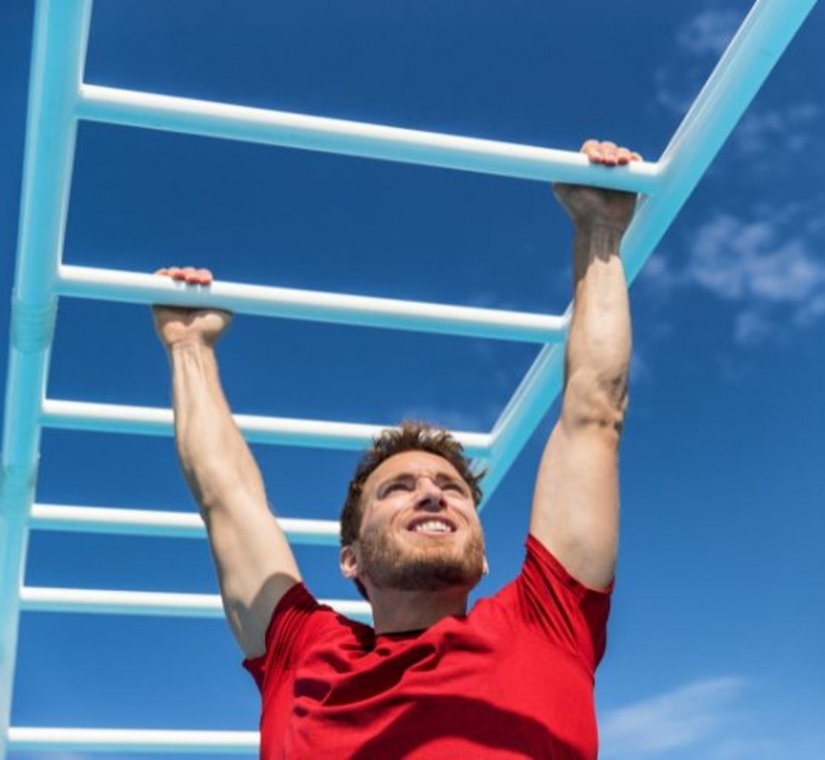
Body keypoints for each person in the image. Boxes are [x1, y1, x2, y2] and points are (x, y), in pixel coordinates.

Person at [152, 139, 641, 759]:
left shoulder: (544, 622)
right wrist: (188, 348)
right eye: (399, 488)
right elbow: (225, 497)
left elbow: (594, 412)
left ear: (485, 557)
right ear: (350, 559)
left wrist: (600, 229)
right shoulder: (302, 652)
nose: (433, 491)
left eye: (452, 490)